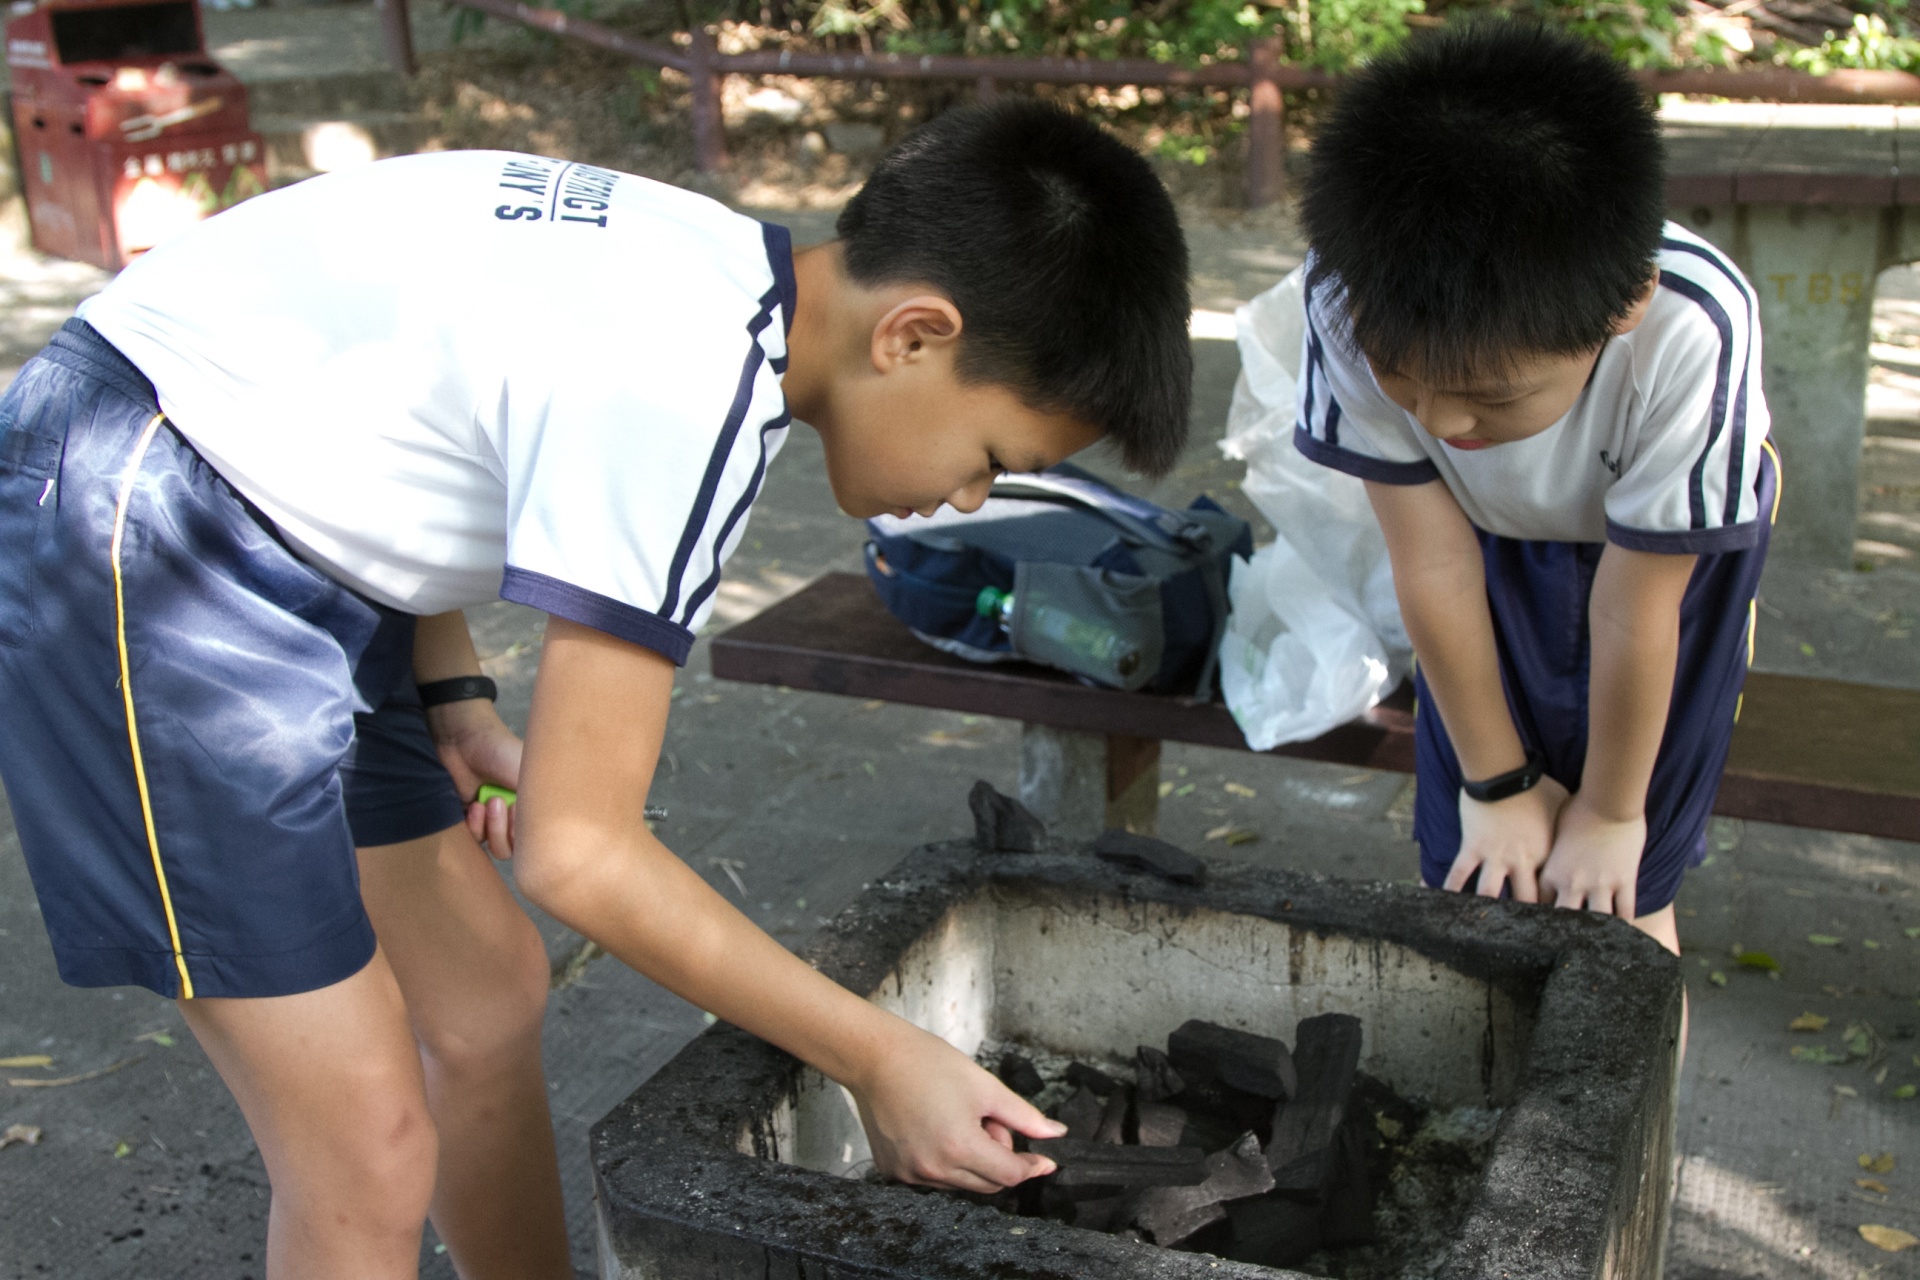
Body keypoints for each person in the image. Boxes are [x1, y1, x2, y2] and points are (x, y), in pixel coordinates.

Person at [0, 101, 1192, 1277]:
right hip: (151, 534)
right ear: (914, 335)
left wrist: (456, 691)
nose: (970, 498)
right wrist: (880, 1056)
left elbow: (392, 410)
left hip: (277, 517)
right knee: (363, 1146)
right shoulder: (686, 390)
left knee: (485, 993)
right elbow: (580, 856)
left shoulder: (715, 269)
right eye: (992, 459)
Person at [1294, 23, 1774, 958]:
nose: (1439, 420)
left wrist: (1612, 811)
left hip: (1662, 564)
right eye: (1402, 379)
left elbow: (1639, 608)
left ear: (1625, 307)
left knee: (1620, 905)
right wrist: (1497, 784)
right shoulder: (1346, 294)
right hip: (1477, 539)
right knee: (1476, 875)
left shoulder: (1695, 326)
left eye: (1491, 393)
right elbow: (1431, 560)